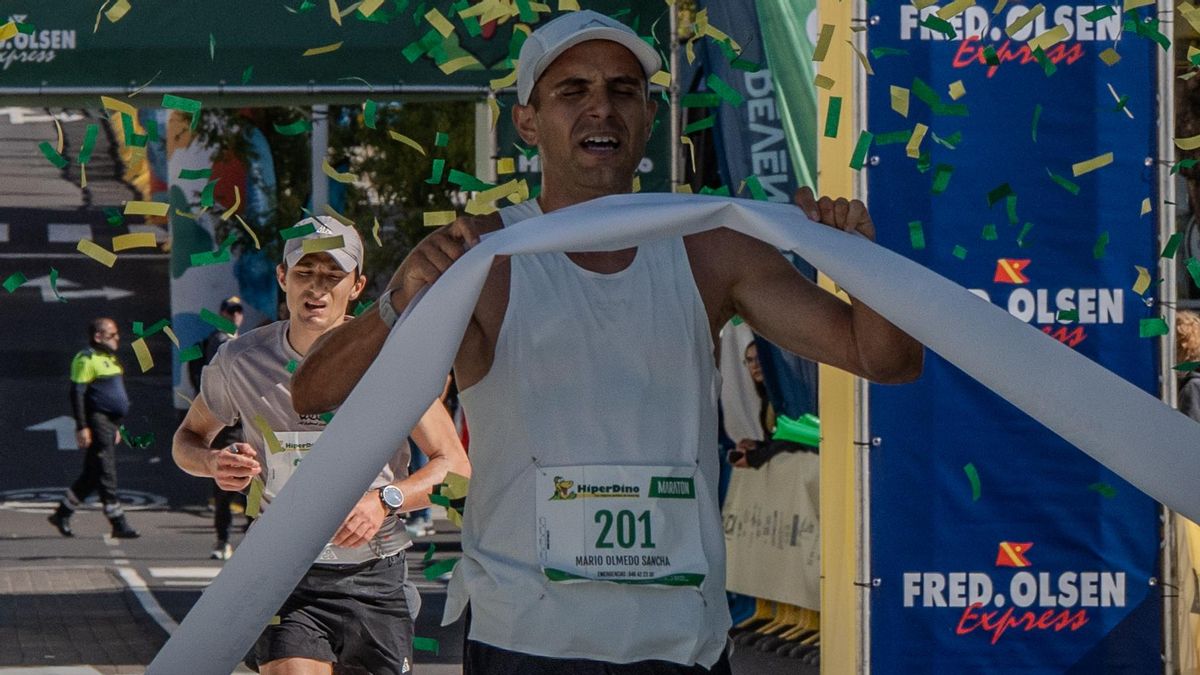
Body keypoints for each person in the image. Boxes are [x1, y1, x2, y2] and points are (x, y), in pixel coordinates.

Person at [292, 10, 923, 673]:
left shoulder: (709, 246)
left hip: (677, 644)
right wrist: (397, 297)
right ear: (527, 121)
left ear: (648, 115)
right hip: (528, 639)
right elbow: (315, 391)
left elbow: (887, 358)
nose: (603, 109)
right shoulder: (483, 257)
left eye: (624, 91)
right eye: (574, 92)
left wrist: (859, 264)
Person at [172, 216, 470, 675]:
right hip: (283, 573)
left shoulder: (392, 360)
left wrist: (384, 501)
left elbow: (455, 467)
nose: (317, 289)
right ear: (281, 278)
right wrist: (212, 461)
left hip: (375, 575)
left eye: (333, 276)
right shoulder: (241, 361)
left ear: (356, 286)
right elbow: (187, 440)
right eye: (304, 274)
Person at [49, 318, 140, 539]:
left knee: (92, 473)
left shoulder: (109, 358)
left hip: (109, 423)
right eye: (112, 334)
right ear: (97, 336)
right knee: (106, 470)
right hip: (97, 420)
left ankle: (63, 512)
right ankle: (118, 521)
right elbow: (77, 393)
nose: (117, 338)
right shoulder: (86, 358)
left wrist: (116, 426)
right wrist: (82, 427)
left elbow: (114, 395)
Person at [187, 295, 248, 560]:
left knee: (251, 479)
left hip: (243, 423)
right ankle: (224, 540)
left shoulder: (240, 341)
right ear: (221, 312)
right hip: (226, 424)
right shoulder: (222, 342)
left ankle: (239, 538)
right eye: (230, 310)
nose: (234, 314)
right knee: (229, 481)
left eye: (238, 310)